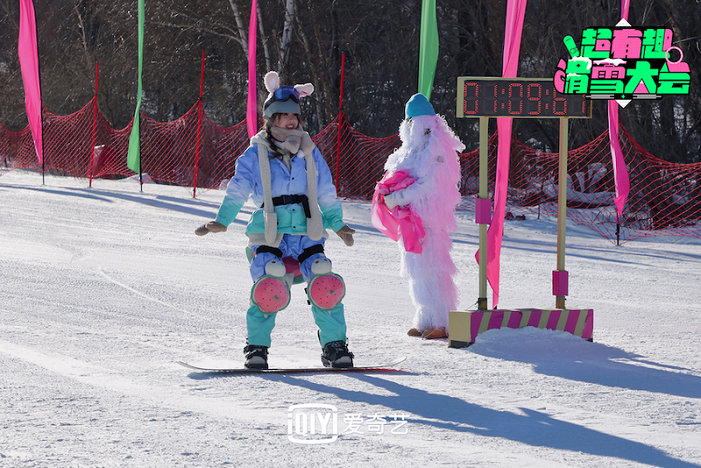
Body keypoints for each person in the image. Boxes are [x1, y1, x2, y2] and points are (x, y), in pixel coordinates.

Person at [195, 71, 356, 369]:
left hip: (308, 232)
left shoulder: (309, 151)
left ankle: (335, 345)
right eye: (283, 116)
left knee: (324, 280)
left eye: (294, 115)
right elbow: (238, 187)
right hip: (270, 234)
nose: (291, 121)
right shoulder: (256, 153)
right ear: (271, 119)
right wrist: (223, 219)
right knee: (270, 286)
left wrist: (337, 223)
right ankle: (257, 347)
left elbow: (325, 189)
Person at [372, 93, 465, 339]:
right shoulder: (409, 150)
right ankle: (424, 318)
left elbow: (428, 185)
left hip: (429, 219)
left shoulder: (436, 149)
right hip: (410, 219)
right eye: (409, 122)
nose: (413, 127)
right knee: (417, 269)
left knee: (434, 267)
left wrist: (398, 197)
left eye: (416, 122)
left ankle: (443, 320)